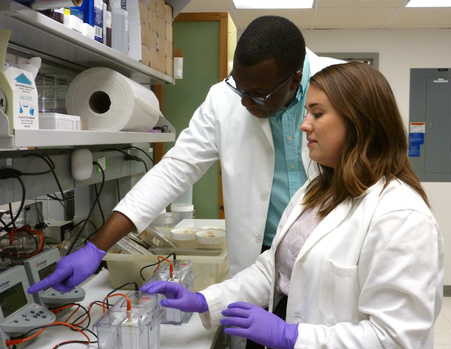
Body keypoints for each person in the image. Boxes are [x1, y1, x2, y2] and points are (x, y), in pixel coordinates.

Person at [140, 61, 445, 349]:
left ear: (359, 121)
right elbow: (272, 271)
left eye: (318, 113)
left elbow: (394, 341)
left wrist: (291, 336)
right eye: (307, 111)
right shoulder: (314, 192)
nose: (304, 124)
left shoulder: (402, 217)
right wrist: (204, 300)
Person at [27, 16, 343, 290]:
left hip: (331, 252)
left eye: (258, 96)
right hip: (259, 258)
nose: (245, 103)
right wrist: (96, 247)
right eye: (239, 88)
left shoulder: (344, 86)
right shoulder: (223, 99)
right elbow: (175, 170)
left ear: (295, 80)